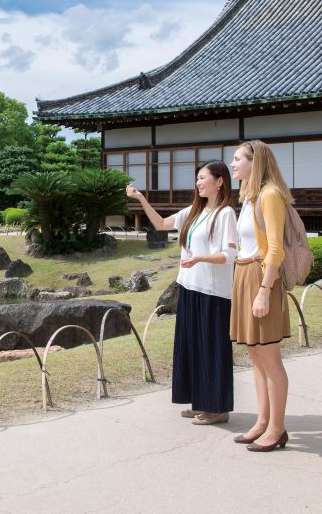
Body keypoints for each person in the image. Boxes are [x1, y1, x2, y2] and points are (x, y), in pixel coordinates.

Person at [126, 160, 238, 425]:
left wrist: (200, 258)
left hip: (213, 293)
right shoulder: (193, 211)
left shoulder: (225, 214)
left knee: (212, 349)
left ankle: (218, 407)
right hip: (188, 286)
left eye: (203, 178)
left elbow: (230, 254)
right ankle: (200, 401)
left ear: (219, 181)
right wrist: (141, 198)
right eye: (197, 178)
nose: (198, 183)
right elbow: (162, 224)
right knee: (192, 347)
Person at [229, 140, 292, 452]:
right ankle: (263, 421)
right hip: (244, 274)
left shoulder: (269, 195)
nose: (232, 164)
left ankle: (277, 428)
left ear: (256, 162)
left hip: (260, 277)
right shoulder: (249, 198)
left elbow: (276, 248)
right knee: (255, 355)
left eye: (238, 158)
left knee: (268, 356)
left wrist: (264, 291)